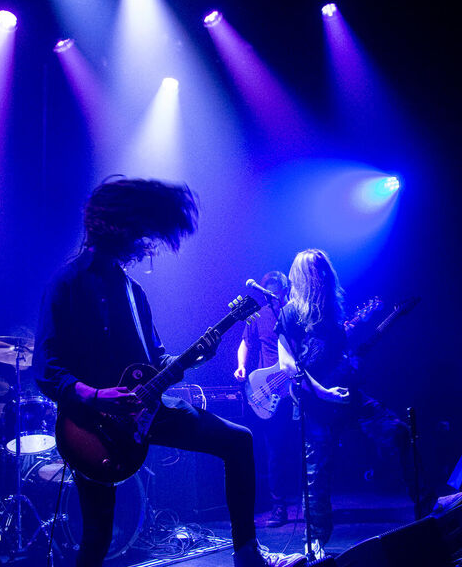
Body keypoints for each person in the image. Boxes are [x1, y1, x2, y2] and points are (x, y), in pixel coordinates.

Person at [34, 178, 306, 567]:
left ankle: (247, 555)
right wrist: (96, 396)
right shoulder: (66, 285)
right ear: (114, 226)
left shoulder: (133, 292)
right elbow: (46, 368)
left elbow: (156, 360)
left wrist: (195, 358)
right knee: (98, 534)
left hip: (148, 409)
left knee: (238, 440)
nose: (142, 239)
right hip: (91, 426)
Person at [276, 249, 435, 560]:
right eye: (315, 271)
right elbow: (288, 364)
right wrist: (324, 393)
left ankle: (429, 508)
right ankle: (315, 542)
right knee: (317, 475)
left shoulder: (333, 311)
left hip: (350, 396)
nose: (322, 276)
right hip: (316, 403)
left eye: (324, 270)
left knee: (399, 432)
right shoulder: (290, 313)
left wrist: (351, 365)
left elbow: (340, 354)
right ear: (303, 276)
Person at [234, 271, 295, 527]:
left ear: (284, 290)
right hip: (270, 388)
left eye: (275, 291)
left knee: (302, 445)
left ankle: (310, 500)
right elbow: (245, 343)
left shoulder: (295, 312)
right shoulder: (259, 315)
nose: (271, 296)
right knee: (275, 451)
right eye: (267, 291)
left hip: (296, 385)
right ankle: (278, 507)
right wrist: (241, 366)